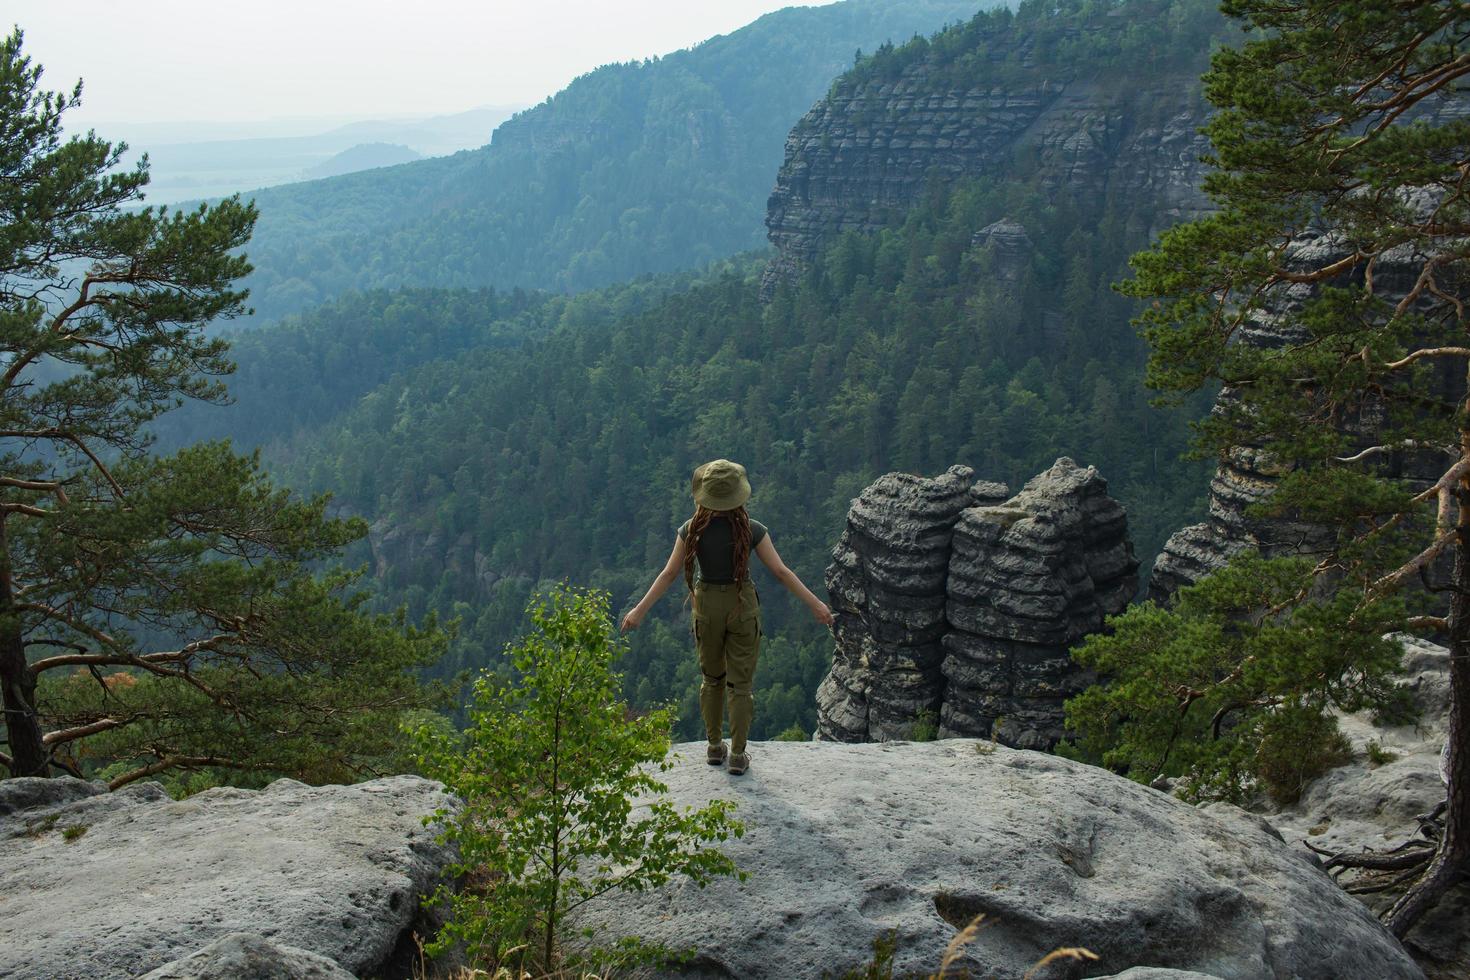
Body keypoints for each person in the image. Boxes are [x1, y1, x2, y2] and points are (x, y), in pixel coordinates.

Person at [621, 459, 833, 775]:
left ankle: (714, 747)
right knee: (740, 685)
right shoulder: (752, 529)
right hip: (742, 605)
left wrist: (639, 610)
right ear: (738, 494)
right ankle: (738, 754)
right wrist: (816, 604)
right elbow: (780, 571)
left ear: (703, 494)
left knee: (712, 679)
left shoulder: (690, 529)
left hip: (706, 605)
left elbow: (668, 574)